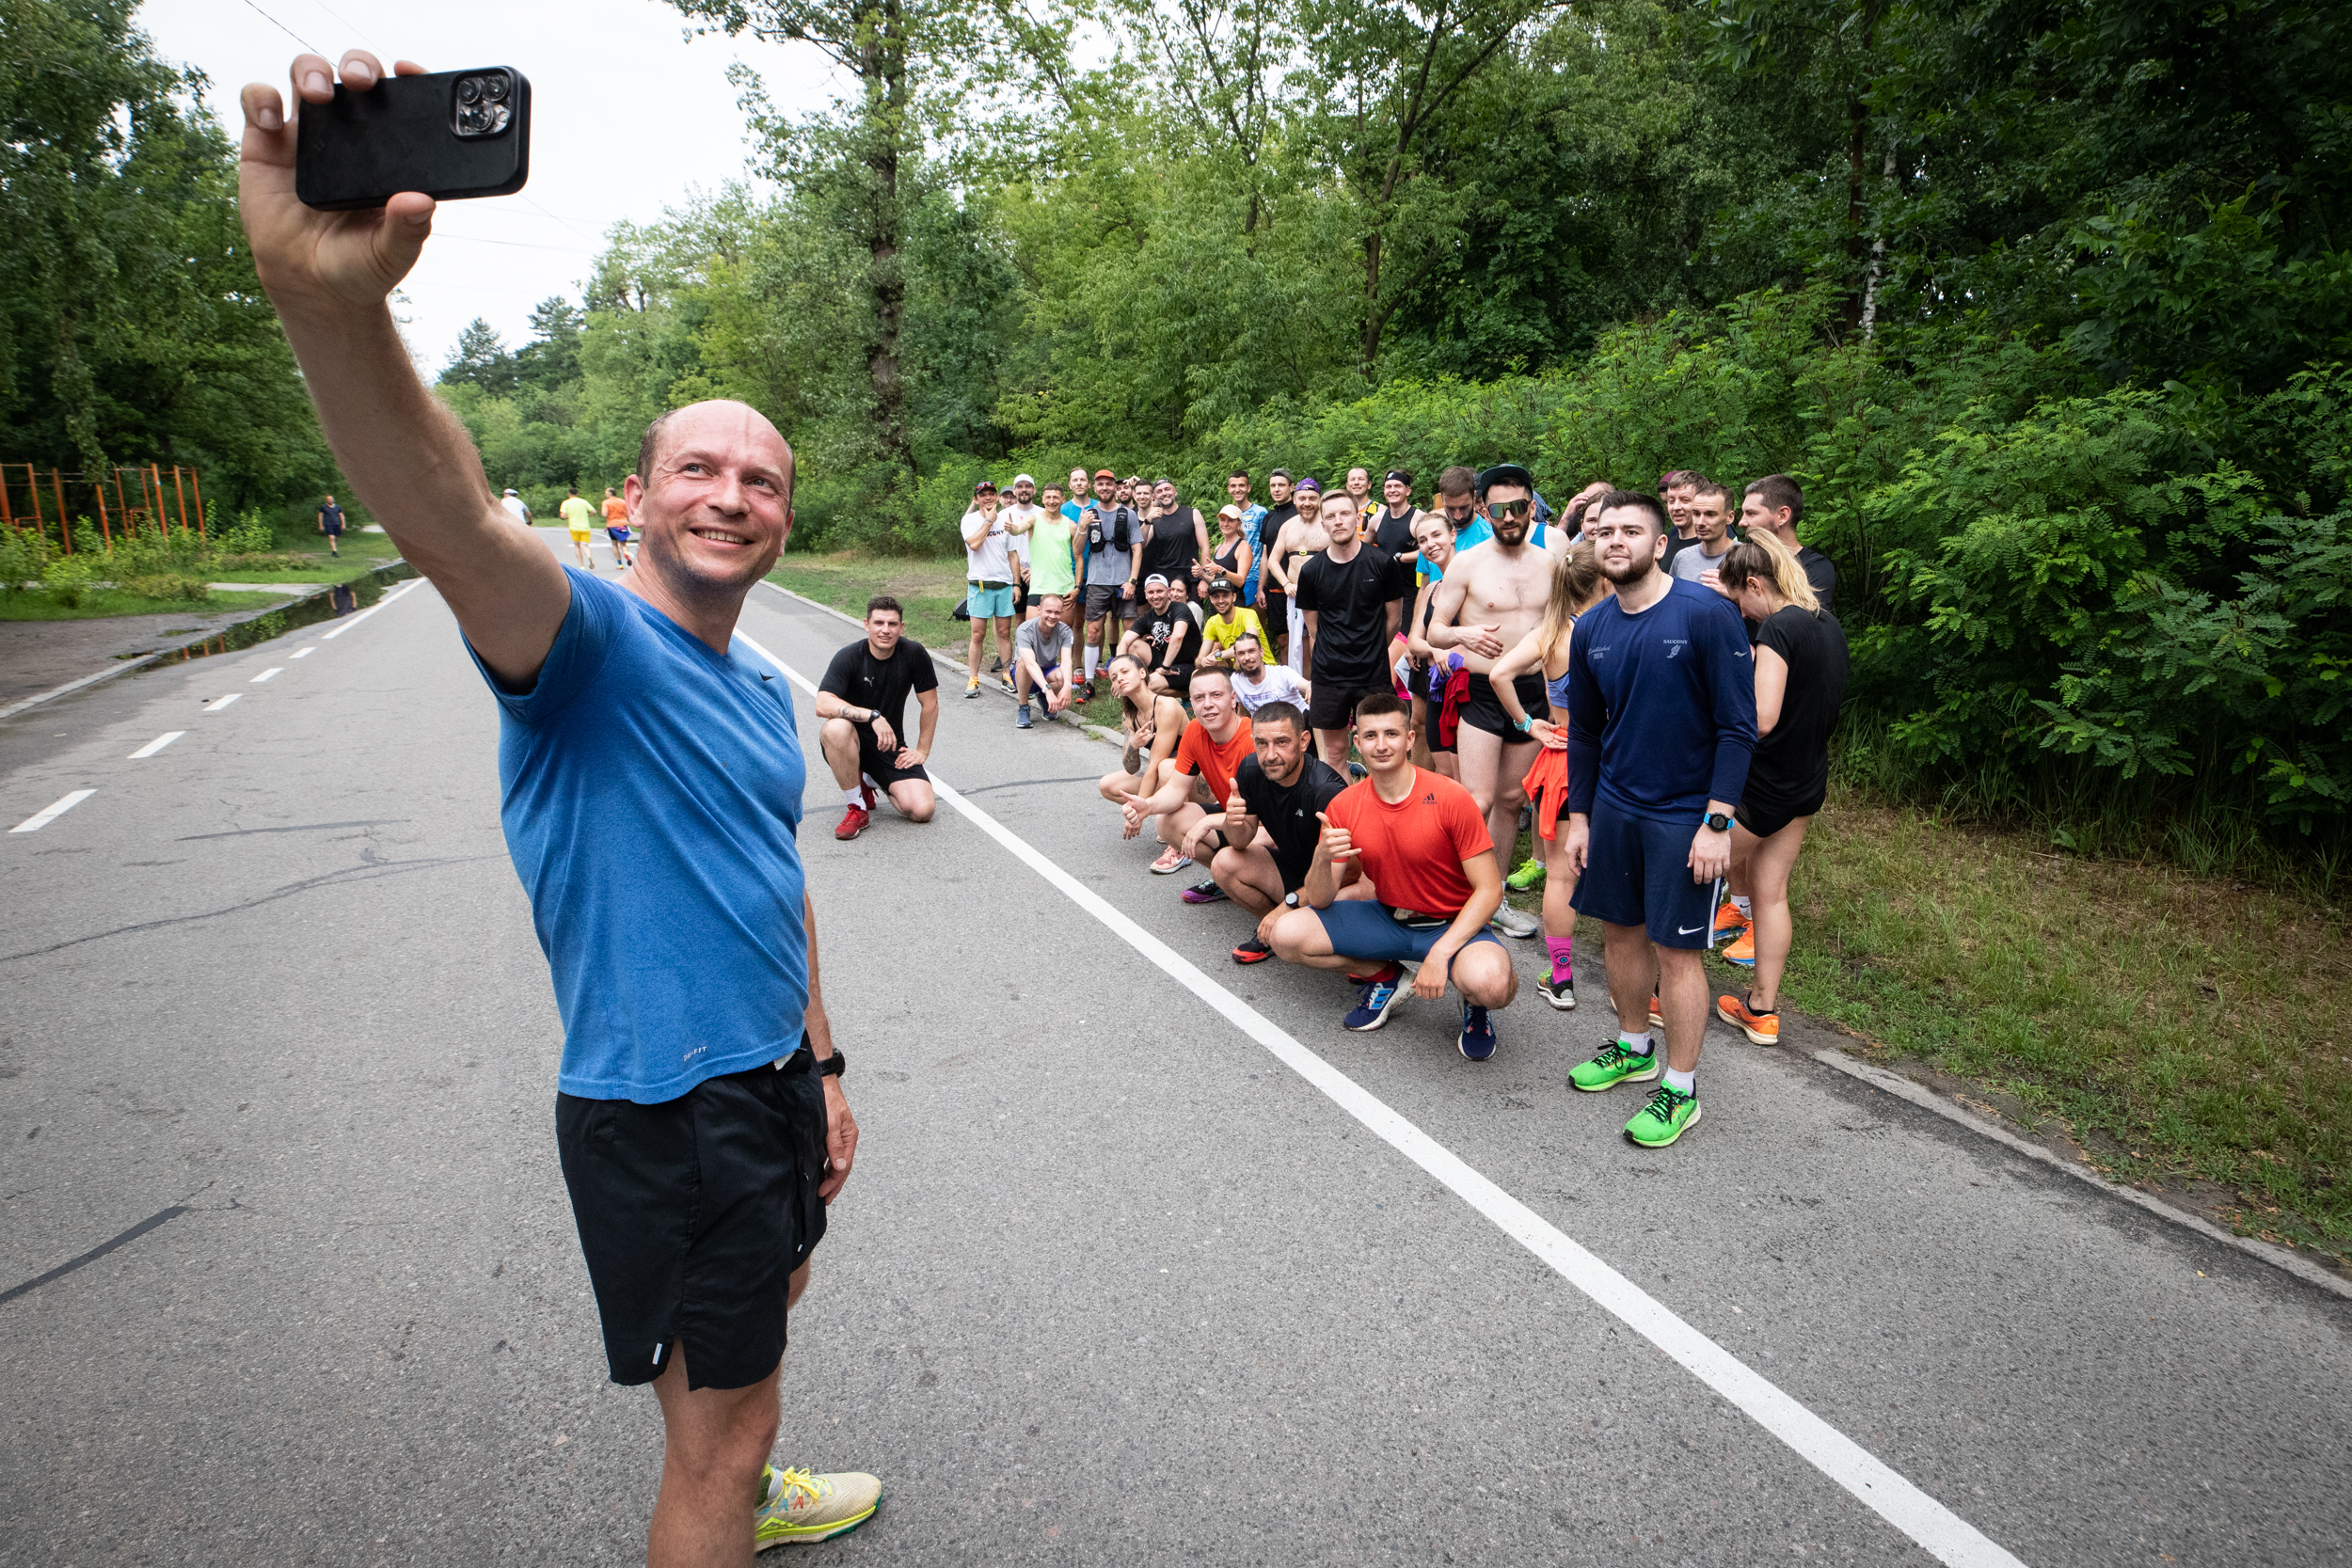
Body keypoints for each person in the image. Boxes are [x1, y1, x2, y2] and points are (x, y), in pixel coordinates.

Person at [239, 50, 878, 1561]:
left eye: (765, 479)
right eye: (700, 469)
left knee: (759, 1324)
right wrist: (333, 305)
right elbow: (449, 516)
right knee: (726, 1437)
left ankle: (745, 1477)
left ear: (789, 517)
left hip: (768, 1077)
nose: (733, 494)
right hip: (669, 1108)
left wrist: (827, 1061)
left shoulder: (749, 677)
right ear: (639, 496)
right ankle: (734, 1498)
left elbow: (767, 880)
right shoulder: (583, 642)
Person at [1559, 490, 1757, 1149]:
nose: (1615, 540)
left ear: (1660, 542)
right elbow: (1584, 733)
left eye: (1631, 530)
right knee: (1619, 934)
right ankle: (1634, 1044)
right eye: (1606, 531)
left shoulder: (1705, 614)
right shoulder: (1591, 629)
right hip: (1615, 805)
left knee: (1677, 952)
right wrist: (1581, 815)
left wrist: (1718, 822)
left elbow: (1738, 725)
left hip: (1684, 815)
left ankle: (1680, 1086)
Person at [1265, 693, 1518, 1057]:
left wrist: (1441, 953)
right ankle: (1387, 977)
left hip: (1450, 924)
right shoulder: (1344, 805)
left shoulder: (1451, 798)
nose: (1381, 745)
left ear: (1410, 740)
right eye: (1370, 736)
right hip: (1387, 918)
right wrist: (1321, 858)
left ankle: (1473, 1002)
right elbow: (1321, 899)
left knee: (1492, 985)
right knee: (1286, 934)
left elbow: (1490, 890)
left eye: (1391, 734)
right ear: (1357, 743)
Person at [1710, 537, 1849, 1045]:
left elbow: (1763, 719)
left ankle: (1658, 993)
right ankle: (1762, 1010)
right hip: (1806, 782)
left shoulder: (1777, 627)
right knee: (1770, 895)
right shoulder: (1826, 623)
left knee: (1692, 876)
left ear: (1754, 584)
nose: (1740, 612)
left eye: (1738, 601)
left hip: (1761, 788)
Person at [1425, 463, 1554, 940]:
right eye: (1499, 508)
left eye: (1519, 506)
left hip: (1531, 691)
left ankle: (1492, 895)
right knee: (1475, 798)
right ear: (1484, 509)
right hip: (1481, 692)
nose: (1510, 516)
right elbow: (1435, 629)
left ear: (1531, 505)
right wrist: (1463, 633)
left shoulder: (1550, 562)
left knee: (1510, 797)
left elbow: (1569, 620)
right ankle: (1434, 888)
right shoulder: (1467, 561)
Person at [1489, 542, 1612, 1009]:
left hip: (1566, 758)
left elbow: (1500, 673)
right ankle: (1639, 989)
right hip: (1618, 762)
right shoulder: (1620, 630)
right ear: (1604, 581)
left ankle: (1561, 978)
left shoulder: (1552, 633)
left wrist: (1528, 723)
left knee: (1562, 876)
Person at [1208, 701, 1352, 962]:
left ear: (1304, 740)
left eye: (1282, 742)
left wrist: (1289, 904)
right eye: (1262, 743)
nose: (1270, 754)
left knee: (1303, 919)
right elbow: (1239, 842)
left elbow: (1350, 873)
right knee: (1224, 863)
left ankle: (1358, 953)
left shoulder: (1326, 791)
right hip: (1294, 870)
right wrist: (1232, 820)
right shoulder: (1251, 769)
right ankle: (1270, 931)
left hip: (1333, 884)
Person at [1295, 489, 1411, 771]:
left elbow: (1393, 621)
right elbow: (1314, 629)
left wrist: (1370, 647)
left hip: (1373, 672)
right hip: (1329, 675)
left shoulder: (1382, 563)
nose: (1338, 521)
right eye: (1330, 516)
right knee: (1334, 753)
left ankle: (1384, 811)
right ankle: (1342, 815)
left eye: (1345, 514)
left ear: (1357, 518)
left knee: (1381, 751)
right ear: (1323, 524)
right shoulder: (1311, 572)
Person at [816, 594, 941, 840]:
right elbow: (822, 703)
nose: (885, 630)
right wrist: (873, 716)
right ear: (866, 624)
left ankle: (872, 778)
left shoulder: (913, 653)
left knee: (922, 810)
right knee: (835, 728)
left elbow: (930, 704)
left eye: (892, 624)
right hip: (851, 744)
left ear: (901, 627)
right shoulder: (849, 656)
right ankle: (857, 808)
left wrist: (922, 751)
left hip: (890, 746)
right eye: (879, 623)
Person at [1116, 666, 1253, 880]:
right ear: (1191, 703)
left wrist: (1207, 823)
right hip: (1232, 819)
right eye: (1199, 698)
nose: (1208, 704)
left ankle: (1245, 878)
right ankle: (1225, 881)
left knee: (1230, 860)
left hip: (1263, 828)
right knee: (1168, 822)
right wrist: (1147, 806)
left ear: (1233, 698)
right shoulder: (1195, 730)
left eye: (1216, 695)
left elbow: (1262, 820)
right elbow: (1176, 789)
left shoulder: (1253, 739)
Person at [1403, 505, 1462, 782]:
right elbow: (1415, 639)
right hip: (1437, 685)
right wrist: (1433, 649)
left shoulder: (1474, 577)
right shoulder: (1431, 589)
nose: (1429, 545)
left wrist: (1446, 649)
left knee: (1468, 775)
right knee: (1446, 773)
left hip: (1468, 687)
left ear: (1452, 534)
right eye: (1422, 540)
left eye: (1436, 535)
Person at [1096, 653, 1189, 826]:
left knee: (1164, 767)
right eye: (1114, 677)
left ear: (1142, 673)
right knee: (1107, 785)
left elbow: (1155, 764)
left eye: (1125, 672)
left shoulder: (1167, 707)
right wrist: (1133, 746)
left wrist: (1139, 811)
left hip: (1190, 777)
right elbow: (1131, 768)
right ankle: (1165, 814)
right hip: (1163, 776)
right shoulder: (1130, 716)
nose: (1120, 679)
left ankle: (1181, 823)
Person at [1080, 467, 1141, 693]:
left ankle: (1130, 680)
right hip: (1097, 581)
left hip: (1123, 580)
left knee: (1130, 630)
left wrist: (1132, 581)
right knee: (1093, 631)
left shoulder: (1128, 514)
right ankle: (1089, 683)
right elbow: (1078, 550)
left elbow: (1137, 549)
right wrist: (1081, 527)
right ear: (1094, 487)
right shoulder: (1088, 513)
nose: (1104, 488)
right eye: (1100, 484)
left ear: (1115, 487)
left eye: (1109, 484)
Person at [1740, 474, 1834, 612]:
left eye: (1751, 513)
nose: (1742, 522)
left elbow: (1806, 620)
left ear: (1782, 516)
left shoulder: (1816, 569)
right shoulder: (1742, 563)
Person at [1263, 475, 1329, 672]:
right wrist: (1285, 584)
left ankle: (1322, 682)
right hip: (1294, 595)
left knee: (1320, 639)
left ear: (1320, 499)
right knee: (1297, 644)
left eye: (1312, 499)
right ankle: (1302, 687)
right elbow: (1273, 561)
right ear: (1295, 500)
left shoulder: (1327, 525)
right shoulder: (1288, 526)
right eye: (1302, 499)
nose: (1307, 503)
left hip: (1323, 595)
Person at [960, 481, 1017, 698]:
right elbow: (974, 544)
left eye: (991, 494)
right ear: (976, 499)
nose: (988, 497)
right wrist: (988, 521)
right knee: (977, 635)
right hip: (980, 585)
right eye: (983, 495)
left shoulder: (1006, 519)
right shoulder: (969, 520)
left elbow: (1012, 553)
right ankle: (973, 679)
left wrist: (1016, 583)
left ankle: (1006, 675)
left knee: (1004, 633)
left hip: (1003, 584)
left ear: (997, 497)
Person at [1124, 574, 1200, 695]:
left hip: (1188, 666)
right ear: (1145, 594)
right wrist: (1119, 670)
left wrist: (1165, 668)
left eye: (1159, 591)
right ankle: (1139, 680)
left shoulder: (1180, 609)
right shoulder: (1148, 616)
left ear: (1168, 592)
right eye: (1151, 592)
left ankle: (1188, 693)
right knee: (1134, 645)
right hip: (1165, 661)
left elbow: (1178, 636)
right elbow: (1124, 641)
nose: (1155, 596)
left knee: (1147, 686)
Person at [1012, 593, 1077, 731]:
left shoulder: (1065, 631)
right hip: (1023, 673)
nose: (1052, 616)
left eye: (1057, 613)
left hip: (1047, 670)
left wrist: (1067, 685)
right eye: (1048, 611)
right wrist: (1048, 690)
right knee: (1023, 663)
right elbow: (1030, 663)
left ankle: (1044, 699)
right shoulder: (1024, 629)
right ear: (1039, 609)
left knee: (1062, 675)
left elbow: (1066, 661)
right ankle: (1023, 707)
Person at [1139, 478, 1208, 602]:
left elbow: (1205, 548)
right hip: (1164, 582)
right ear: (1154, 497)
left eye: (1167, 489)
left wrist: (1204, 579)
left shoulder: (1193, 514)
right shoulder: (1154, 518)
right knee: (1167, 620)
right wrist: (1148, 520)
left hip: (1190, 580)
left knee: (1192, 618)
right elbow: (1141, 544)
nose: (1164, 493)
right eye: (1159, 491)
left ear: (1175, 492)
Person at [1254, 469, 1297, 662]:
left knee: (1304, 638)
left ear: (1292, 487)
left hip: (1298, 585)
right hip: (1274, 587)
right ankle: (1288, 683)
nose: (1277, 489)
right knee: (1282, 639)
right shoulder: (1268, 517)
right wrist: (1261, 588)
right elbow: (1266, 555)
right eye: (1273, 486)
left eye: (1281, 485)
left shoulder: (1300, 511)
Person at [1668, 481, 1737, 584]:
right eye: (1696, 514)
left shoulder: (1746, 558)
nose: (1700, 522)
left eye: (1710, 514)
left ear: (1730, 517)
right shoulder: (1682, 558)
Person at [1227, 633, 1311, 715]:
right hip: (1264, 727)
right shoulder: (1236, 680)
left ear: (1261, 652)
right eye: (1241, 653)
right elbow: (1244, 712)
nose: (1247, 657)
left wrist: (1309, 687)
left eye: (1251, 651)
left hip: (1299, 721)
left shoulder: (1282, 673)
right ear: (1236, 657)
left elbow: (1307, 685)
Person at [1198, 576, 1267, 666]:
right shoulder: (1212, 622)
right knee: (1200, 671)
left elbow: (1249, 642)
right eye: (1216, 597)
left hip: (1262, 667)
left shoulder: (1248, 614)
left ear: (1234, 597)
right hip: (1239, 672)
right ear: (1211, 599)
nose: (1221, 600)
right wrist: (1202, 661)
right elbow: (1199, 659)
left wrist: (1217, 655)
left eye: (1225, 596)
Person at [1225, 469, 1267, 613]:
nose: (1237, 489)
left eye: (1241, 485)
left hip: (1253, 577)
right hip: (1232, 576)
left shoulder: (1260, 513)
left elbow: (1266, 548)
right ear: (1229, 489)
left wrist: (1263, 580)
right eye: (1233, 486)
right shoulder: (1227, 514)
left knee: (1255, 622)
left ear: (1248, 488)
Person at [1201, 502, 1255, 610]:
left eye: (1230, 520)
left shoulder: (1243, 547)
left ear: (1239, 524)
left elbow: (1240, 581)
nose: (1225, 524)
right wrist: (1202, 574)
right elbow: (1215, 580)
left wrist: (1220, 569)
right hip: (1217, 603)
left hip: (1234, 604)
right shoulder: (1218, 547)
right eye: (1222, 520)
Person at [560, 483, 598, 570]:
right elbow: (594, 511)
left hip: (574, 528)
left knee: (577, 546)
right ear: (577, 494)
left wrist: (567, 517)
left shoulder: (566, 503)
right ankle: (589, 555)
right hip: (585, 527)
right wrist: (590, 515)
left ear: (569, 494)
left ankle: (582, 566)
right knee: (585, 545)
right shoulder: (583, 501)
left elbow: (562, 515)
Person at [601, 485, 634, 569]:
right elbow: (628, 512)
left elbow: (604, 514)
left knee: (615, 545)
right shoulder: (623, 502)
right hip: (623, 525)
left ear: (609, 493)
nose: (605, 494)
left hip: (612, 525)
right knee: (623, 544)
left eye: (606, 492)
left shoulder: (606, 502)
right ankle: (626, 552)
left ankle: (620, 564)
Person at [316, 492, 345, 556]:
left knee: (335, 538)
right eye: (329, 499)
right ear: (327, 500)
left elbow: (341, 515)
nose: (330, 500)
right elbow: (320, 516)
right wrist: (321, 525)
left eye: (331, 499)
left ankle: (334, 549)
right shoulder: (323, 507)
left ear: (333, 499)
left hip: (337, 524)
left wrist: (343, 524)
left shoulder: (338, 507)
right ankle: (334, 552)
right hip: (328, 524)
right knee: (332, 537)